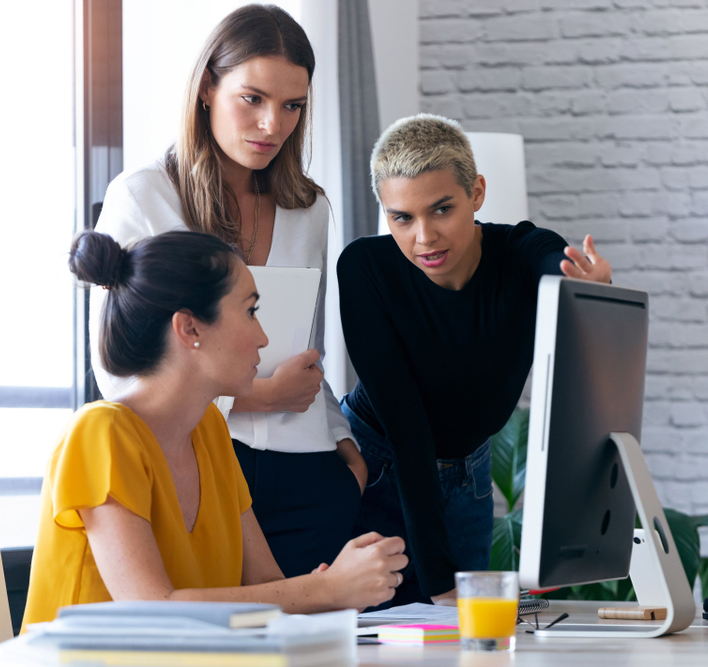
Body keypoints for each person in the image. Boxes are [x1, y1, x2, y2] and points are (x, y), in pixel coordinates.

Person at [90, 4, 365, 578]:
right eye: (253, 99)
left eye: (293, 106)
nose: (273, 125)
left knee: (317, 650)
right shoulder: (142, 197)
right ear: (208, 89)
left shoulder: (308, 208)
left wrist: (343, 444)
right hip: (195, 461)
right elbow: (116, 371)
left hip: (307, 466)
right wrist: (255, 398)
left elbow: (306, 351)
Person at [22, 231, 407, 629]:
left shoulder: (209, 429)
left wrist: (343, 589)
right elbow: (149, 608)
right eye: (250, 312)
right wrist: (327, 589)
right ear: (190, 329)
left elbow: (266, 585)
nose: (263, 338)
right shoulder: (100, 433)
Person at [337, 114, 612, 607]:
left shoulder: (520, 251)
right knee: (383, 638)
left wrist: (582, 288)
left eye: (441, 209)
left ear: (477, 193)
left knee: (463, 645)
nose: (423, 237)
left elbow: (551, 260)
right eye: (402, 217)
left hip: (469, 468)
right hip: (380, 464)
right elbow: (406, 425)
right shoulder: (365, 268)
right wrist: (443, 584)